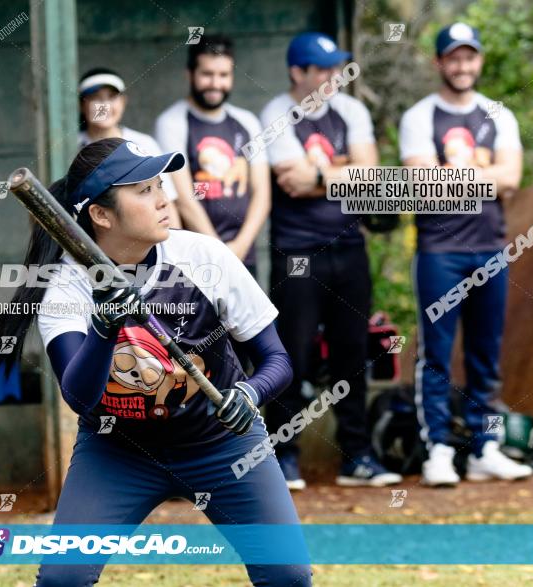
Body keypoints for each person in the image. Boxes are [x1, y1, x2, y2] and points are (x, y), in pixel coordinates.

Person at [0, 137, 311, 586]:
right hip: (119, 452)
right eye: (144, 191)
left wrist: (250, 392)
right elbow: (80, 398)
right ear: (101, 215)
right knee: (63, 578)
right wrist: (104, 326)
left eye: (160, 186)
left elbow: (276, 359)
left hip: (223, 445)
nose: (163, 200)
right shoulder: (66, 287)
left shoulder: (203, 257)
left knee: (288, 575)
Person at [258, 32, 402, 490]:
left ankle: (358, 457)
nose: (331, 77)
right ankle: (284, 457)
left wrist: (320, 173)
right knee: (291, 356)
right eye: (320, 69)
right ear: (297, 72)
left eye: (334, 68)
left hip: (349, 248)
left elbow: (369, 179)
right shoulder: (276, 113)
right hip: (297, 252)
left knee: (351, 354)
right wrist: (343, 173)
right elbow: (290, 182)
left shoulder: (351, 110)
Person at [399, 23, 531, 486]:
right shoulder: (420, 116)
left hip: (490, 249)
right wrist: (484, 175)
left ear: (478, 61)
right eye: (453, 58)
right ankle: (437, 449)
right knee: (435, 353)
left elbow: (511, 179)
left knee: (485, 353)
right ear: (439, 63)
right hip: (440, 251)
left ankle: (485, 447)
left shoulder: (499, 115)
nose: (462, 66)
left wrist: (451, 176)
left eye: (469, 57)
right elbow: (421, 183)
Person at [155, 35, 271, 274]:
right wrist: (220, 250)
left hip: (243, 254)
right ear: (190, 74)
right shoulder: (172, 122)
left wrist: (240, 246)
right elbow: (184, 200)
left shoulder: (247, 121)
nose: (215, 83)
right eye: (207, 74)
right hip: (195, 258)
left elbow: (262, 194)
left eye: (223, 75)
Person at [78, 67, 182, 227]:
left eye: (112, 97)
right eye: (95, 98)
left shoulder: (143, 144)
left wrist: (174, 248)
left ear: (123, 102)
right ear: (81, 105)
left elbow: (168, 205)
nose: (104, 106)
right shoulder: (68, 148)